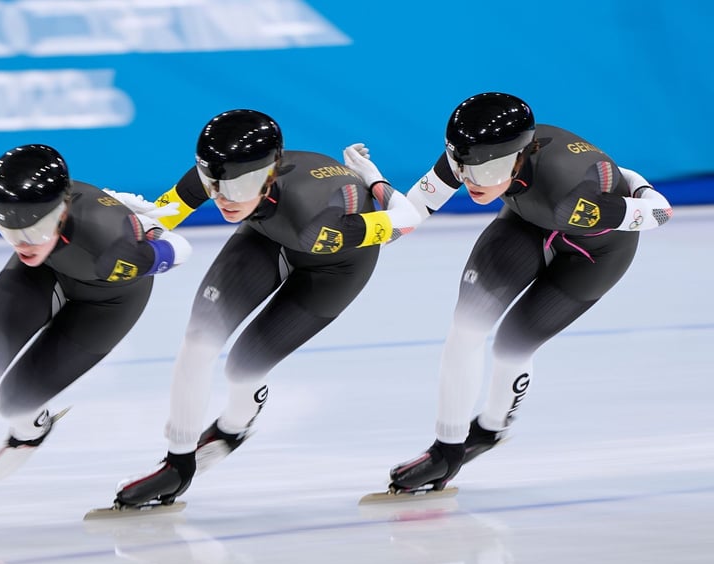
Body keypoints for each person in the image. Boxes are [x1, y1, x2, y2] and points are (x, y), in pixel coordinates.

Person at [344, 92, 673, 493]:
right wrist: (376, 182)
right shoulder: (467, 155)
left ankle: (491, 429)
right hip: (525, 222)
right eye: (464, 169)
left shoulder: (571, 195)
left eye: (487, 171)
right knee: (465, 330)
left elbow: (659, 213)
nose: (472, 182)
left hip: (593, 252)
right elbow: (411, 216)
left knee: (511, 347)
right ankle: (446, 452)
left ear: (521, 156)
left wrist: (636, 184)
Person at [111, 109, 421, 509]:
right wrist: (128, 220)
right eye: (214, 186)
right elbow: (163, 216)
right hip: (265, 238)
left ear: (270, 176)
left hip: (334, 265)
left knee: (242, 366)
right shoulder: (223, 174)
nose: (224, 198)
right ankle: (177, 465)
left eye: (239, 188)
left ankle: (233, 428)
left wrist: (375, 180)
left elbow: (408, 219)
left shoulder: (315, 217)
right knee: (197, 342)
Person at [0, 144, 192, 529]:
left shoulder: (107, 236)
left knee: (14, 404)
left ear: (63, 212)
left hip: (107, 304)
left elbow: (180, 248)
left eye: (35, 228)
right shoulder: (31, 236)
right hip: (39, 278)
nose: (23, 243)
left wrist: (150, 244)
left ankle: (31, 427)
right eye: (8, 229)